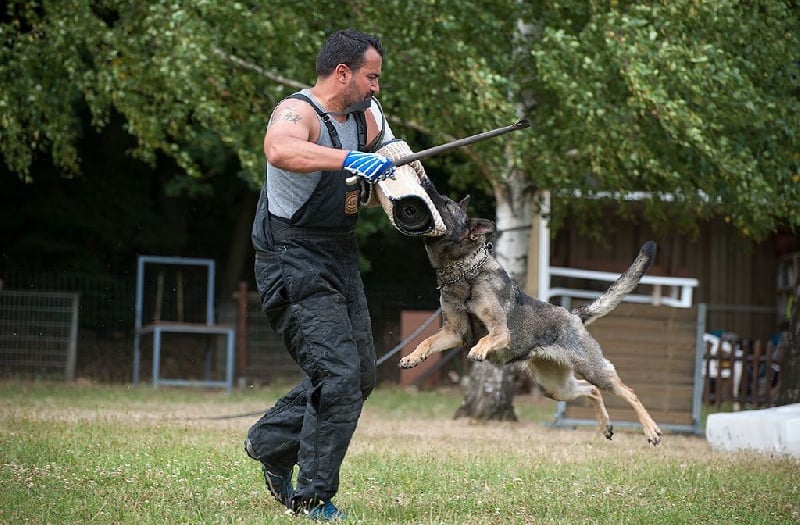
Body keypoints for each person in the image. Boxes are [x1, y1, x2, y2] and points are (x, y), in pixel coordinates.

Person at [244, 29, 397, 521]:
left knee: (361, 375)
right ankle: (312, 497)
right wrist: (349, 159)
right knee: (337, 374)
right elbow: (280, 151)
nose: (376, 87)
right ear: (343, 73)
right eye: (371, 77)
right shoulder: (298, 112)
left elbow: (392, 154)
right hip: (290, 257)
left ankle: (270, 441)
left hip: (339, 254)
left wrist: (403, 177)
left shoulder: (367, 115)